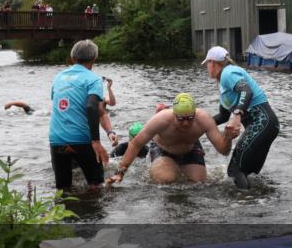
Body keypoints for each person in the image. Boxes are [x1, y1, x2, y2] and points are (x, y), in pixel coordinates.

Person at [107, 93, 238, 185]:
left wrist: (228, 137)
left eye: (190, 118)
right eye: (181, 119)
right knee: (165, 180)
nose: (186, 123)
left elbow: (223, 150)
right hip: (164, 150)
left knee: (200, 184)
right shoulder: (161, 120)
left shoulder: (204, 119)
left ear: (195, 114)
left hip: (190, 149)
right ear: (174, 114)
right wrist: (120, 172)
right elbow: (136, 144)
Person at [201, 46, 280, 190]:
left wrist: (237, 114)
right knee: (249, 173)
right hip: (267, 126)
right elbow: (223, 116)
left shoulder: (228, 73)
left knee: (234, 171)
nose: (207, 68)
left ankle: (245, 208)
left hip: (263, 122)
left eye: (207, 64)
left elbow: (246, 91)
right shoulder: (224, 85)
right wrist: (199, 126)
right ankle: (260, 203)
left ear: (212, 63)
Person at [49, 40, 118, 189]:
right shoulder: (92, 79)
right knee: (96, 186)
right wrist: (96, 142)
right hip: (81, 140)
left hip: (57, 141)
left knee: (63, 189)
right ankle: (93, 211)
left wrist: (109, 131)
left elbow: (96, 111)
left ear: (72, 57)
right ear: (94, 59)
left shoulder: (58, 78)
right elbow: (91, 106)